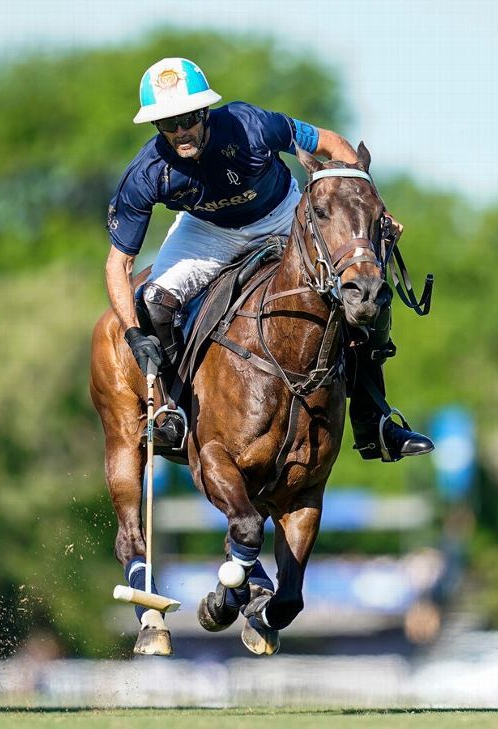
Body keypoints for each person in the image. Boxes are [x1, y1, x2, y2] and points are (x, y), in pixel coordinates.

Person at [104, 58, 433, 461]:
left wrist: (371, 206)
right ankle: (175, 413)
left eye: (188, 118)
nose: (180, 131)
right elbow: (118, 265)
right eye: (168, 123)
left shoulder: (252, 125)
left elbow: (332, 144)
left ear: (204, 112)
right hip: (207, 231)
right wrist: (134, 334)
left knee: (361, 290)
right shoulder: (147, 172)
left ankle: (374, 422)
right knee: (155, 303)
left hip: (281, 215)